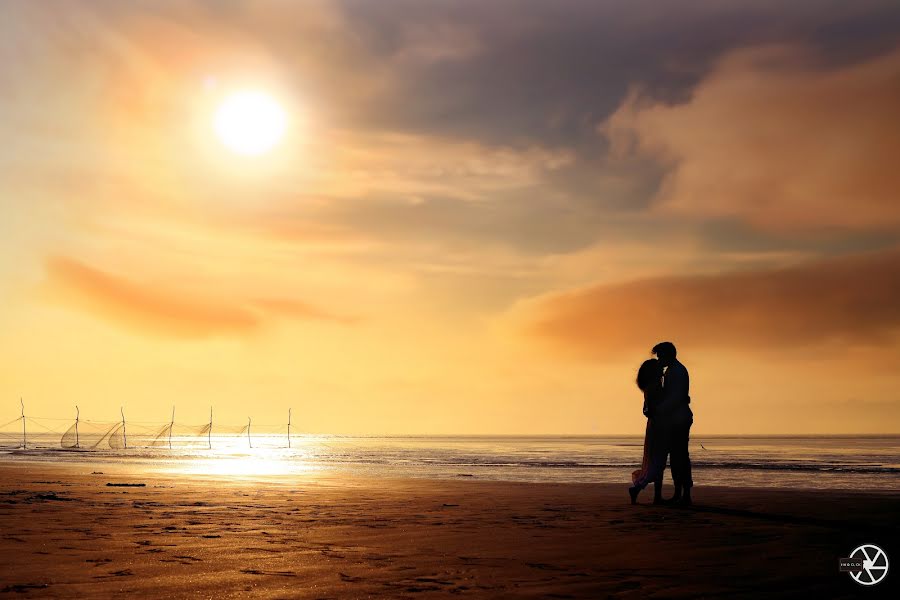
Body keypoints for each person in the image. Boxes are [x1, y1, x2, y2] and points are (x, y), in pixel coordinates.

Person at [652, 341, 694, 505]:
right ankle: (680, 493)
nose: (659, 359)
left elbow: (675, 398)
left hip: (679, 419)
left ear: (668, 355)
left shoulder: (677, 371)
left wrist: (658, 409)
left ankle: (684, 494)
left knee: (680, 457)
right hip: (676, 419)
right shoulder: (672, 371)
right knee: (678, 457)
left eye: (660, 356)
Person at [628, 359, 668, 504]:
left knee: (656, 460)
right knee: (658, 460)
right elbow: (651, 408)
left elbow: (646, 409)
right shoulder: (655, 386)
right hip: (658, 425)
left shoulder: (648, 387)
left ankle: (654, 495)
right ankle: (647, 491)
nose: (662, 371)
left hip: (654, 425)